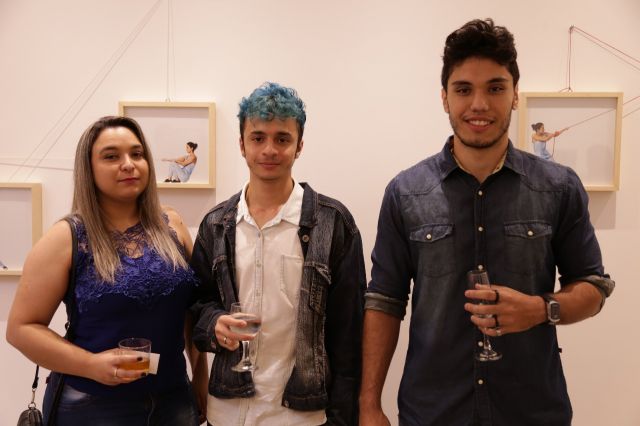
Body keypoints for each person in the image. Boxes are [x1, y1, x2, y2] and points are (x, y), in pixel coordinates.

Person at [359, 19, 614, 426]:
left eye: (495, 88)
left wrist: (540, 309)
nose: (479, 104)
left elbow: (594, 287)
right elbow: (384, 300)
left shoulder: (559, 187)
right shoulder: (405, 192)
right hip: (434, 411)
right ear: (444, 98)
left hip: (531, 410)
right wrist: (368, 404)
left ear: (515, 95)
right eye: (463, 89)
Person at [6, 116, 208, 425]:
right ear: (89, 168)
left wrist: (201, 376)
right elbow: (21, 329)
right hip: (92, 406)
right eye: (111, 156)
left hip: (173, 400)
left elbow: (193, 310)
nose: (128, 164)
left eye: (137, 154)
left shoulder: (172, 225)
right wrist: (91, 364)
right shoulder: (67, 237)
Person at [189, 82, 366, 425]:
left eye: (282, 139)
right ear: (242, 144)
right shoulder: (216, 225)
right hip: (228, 411)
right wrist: (214, 324)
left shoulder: (333, 223)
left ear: (299, 146)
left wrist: (345, 417)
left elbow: (349, 333)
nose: (269, 149)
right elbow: (196, 305)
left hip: (302, 414)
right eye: (258, 138)